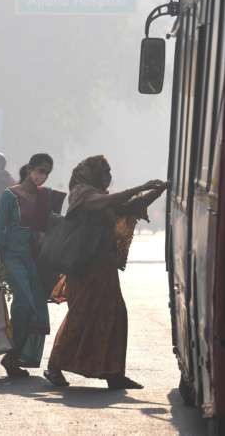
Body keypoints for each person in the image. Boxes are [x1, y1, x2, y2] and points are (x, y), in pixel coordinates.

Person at [44, 155, 167, 389]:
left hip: (104, 266)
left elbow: (129, 206)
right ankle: (54, 366)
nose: (107, 177)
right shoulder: (82, 193)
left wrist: (158, 190)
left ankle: (113, 372)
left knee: (115, 315)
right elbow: (109, 201)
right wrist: (140, 187)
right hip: (85, 266)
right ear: (91, 173)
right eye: (104, 172)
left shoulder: (98, 195)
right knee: (82, 315)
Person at [0, 153, 56, 377]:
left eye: (47, 173)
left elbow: (52, 225)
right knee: (23, 302)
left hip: (34, 258)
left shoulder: (46, 196)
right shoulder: (10, 195)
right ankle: (12, 355)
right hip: (12, 257)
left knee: (36, 306)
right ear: (30, 168)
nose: (42, 176)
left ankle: (14, 357)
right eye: (40, 170)